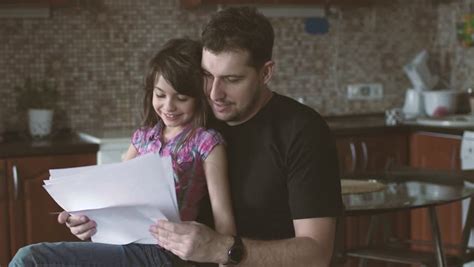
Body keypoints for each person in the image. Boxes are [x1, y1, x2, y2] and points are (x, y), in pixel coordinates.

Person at [9, 38, 235, 266]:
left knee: (31, 259)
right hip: (120, 242)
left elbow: (224, 226)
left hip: (163, 254)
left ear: (199, 98)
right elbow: (111, 194)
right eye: (160, 95)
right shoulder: (142, 138)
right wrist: (82, 218)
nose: (168, 106)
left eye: (181, 98)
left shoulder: (206, 143)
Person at [149, 7, 343, 267]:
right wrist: (99, 218)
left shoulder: (303, 131)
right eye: (207, 76)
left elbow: (317, 253)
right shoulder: (193, 117)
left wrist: (223, 249)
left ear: (266, 73)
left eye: (232, 79)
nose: (215, 93)